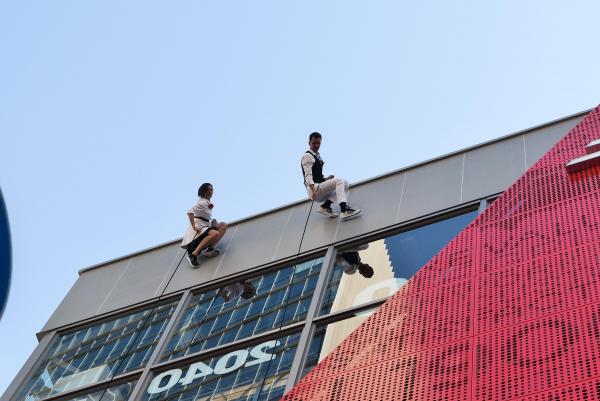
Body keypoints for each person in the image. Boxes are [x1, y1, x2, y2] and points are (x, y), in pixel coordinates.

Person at [301, 132, 361, 220]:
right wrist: (313, 190)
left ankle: (326, 206)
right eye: (314, 143)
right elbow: (308, 175)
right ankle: (344, 210)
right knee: (340, 181)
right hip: (314, 189)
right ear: (309, 143)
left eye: (318, 143)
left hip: (319, 187)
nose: (316, 145)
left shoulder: (317, 156)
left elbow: (316, 175)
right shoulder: (307, 156)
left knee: (346, 184)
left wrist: (326, 179)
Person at [181, 183, 228, 268]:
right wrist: (194, 227)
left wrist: (217, 224)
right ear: (203, 191)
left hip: (205, 226)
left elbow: (207, 219)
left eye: (211, 190)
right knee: (215, 234)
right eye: (208, 190)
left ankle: (209, 249)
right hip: (198, 230)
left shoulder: (207, 203)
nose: (210, 191)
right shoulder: (202, 202)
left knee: (223, 225)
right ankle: (193, 254)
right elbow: (190, 212)